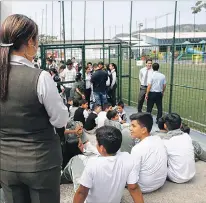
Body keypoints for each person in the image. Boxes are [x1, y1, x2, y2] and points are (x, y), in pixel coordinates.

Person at [0, 14, 68, 203]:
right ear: (30, 41)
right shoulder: (40, 77)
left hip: (5, 163)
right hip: (41, 162)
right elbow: (60, 120)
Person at [73, 126, 144, 203]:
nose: (96, 144)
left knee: (76, 161)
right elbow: (133, 188)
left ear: (102, 148)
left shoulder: (92, 163)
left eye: (97, 142)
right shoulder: (128, 158)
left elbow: (82, 193)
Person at [130, 113, 167, 193]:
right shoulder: (158, 139)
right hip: (160, 182)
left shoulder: (137, 149)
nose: (130, 129)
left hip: (143, 187)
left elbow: (132, 184)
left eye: (133, 126)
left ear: (144, 130)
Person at [163, 113, 196, 183]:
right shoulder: (187, 136)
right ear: (181, 125)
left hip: (176, 177)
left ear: (165, 126)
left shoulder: (166, 142)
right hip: (191, 174)